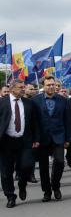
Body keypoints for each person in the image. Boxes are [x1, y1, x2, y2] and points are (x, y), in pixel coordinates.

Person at [31, 76, 71, 202]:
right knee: (43, 166)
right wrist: (34, 138)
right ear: (43, 86)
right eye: (48, 85)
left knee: (59, 161)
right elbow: (33, 121)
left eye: (53, 84)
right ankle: (47, 191)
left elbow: (67, 120)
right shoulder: (35, 100)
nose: (51, 87)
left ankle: (56, 186)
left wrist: (67, 138)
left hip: (58, 136)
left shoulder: (63, 100)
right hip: (42, 137)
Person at [0, 80, 40, 208]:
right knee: (6, 172)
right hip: (6, 142)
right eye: (20, 87)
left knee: (27, 166)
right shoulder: (2, 103)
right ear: (12, 89)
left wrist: (36, 139)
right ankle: (10, 196)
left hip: (24, 141)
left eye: (24, 87)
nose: (23, 89)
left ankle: (22, 185)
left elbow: (34, 122)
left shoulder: (28, 103)